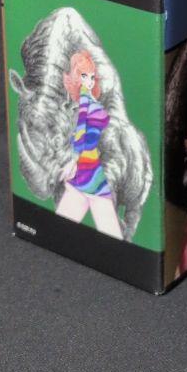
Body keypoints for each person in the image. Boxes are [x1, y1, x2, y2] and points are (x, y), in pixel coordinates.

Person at [54, 49, 123, 238]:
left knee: (69, 214)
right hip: (88, 166)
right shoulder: (85, 100)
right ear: (76, 78)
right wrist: (74, 159)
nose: (90, 80)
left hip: (88, 164)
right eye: (84, 76)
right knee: (108, 222)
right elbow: (81, 130)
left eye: (92, 76)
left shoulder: (88, 99)